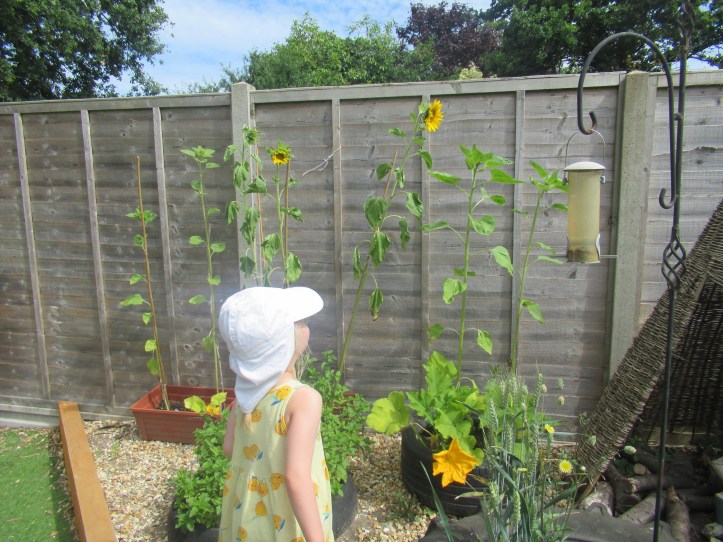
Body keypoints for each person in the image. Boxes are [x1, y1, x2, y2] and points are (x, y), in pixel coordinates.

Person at [217, 286, 334, 542]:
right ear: (284, 340)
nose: (306, 326)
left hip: (248, 519)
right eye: (300, 322)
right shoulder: (303, 400)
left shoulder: (245, 396)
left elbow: (229, 448)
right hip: (286, 522)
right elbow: (296, 478)